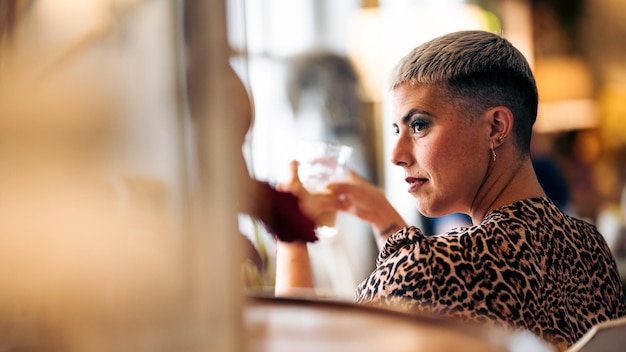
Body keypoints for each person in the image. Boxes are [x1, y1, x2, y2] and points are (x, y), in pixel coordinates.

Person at [273, 30, 626, 351]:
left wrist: (290, 233)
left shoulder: (428, 268)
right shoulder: (590, 247)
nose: (396, 154)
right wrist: (384, 221)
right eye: (397, 130)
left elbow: (296, 344)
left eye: (420, 125)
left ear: (496, 127)